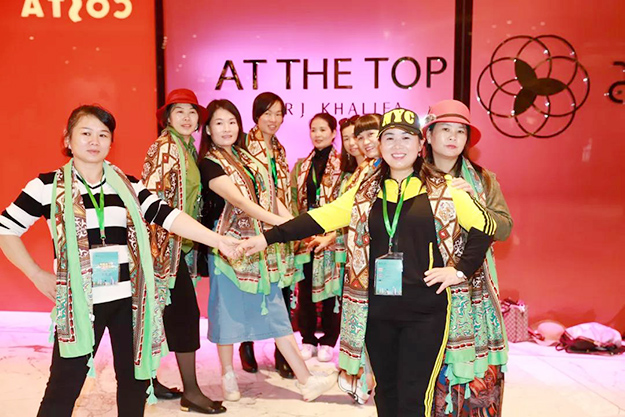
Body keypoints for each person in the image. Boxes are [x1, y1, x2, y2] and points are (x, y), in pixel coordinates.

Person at [238, 108, 497, 416]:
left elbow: (486, 227)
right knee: (385, 392)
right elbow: (318, 218)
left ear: (420, 144)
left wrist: (459, 271)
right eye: (389, 138)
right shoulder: (364, 193)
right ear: (380, 144)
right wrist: (265, 239)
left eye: (406, 138)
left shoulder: (445, 189)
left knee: (414, 396)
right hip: (378, 309)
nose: (397, 146)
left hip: (426, 311)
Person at [0, 105, 237, 416]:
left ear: (111, 142)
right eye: (86, 133)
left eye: (103, 135)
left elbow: (168, 216)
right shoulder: (46, 186)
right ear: (68, 139)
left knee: (135, 383)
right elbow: (5, 229)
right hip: (80, 302)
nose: (94, 141)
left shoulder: (127, 185)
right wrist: (35, 273)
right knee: (64, 385)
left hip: (130, 301)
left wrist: (217, 240)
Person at [198, 99, 337, 402]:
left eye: (231, 122)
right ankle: (227, 375)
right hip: (229, 251)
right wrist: (284, 226)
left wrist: (297, 224)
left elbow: (270, 196)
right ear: (208, 129)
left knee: (277, 313)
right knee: (226, 314)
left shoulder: (248, 158)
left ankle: (306, 380)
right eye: (219, 123)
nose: (226, 128)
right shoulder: (209, 163)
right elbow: (243, 203)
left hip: (260, 251)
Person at [421, 99, 511, 416]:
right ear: (428, 135)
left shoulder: (483, 180)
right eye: (445, 129)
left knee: (476, 381)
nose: (453, 137)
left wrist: (475, 205)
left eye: (460, 131)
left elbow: (504, 228)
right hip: (427, 287)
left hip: (473, 291)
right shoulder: (411, 178)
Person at [141, 89, 226, 414]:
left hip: (177, 247)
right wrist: (159, 250)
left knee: (159, 316)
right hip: (162, 248)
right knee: (185, 316)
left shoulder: (186, 148)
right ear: (167, 118)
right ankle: (191, 391)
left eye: (192, 112)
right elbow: (153, 203)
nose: (187, 118)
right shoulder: (165, 148)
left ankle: (148, 381)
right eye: (180, 112)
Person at [239, 92, 300, 378]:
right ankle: (247, 345)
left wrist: (291, 223)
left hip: (279, 227)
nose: (274, 119)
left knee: (282, 290)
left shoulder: (280, 148)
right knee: (252, 288)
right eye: (268, 113)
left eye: (279, 114)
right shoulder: (243, 145)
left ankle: (282, 351)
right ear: (256, 115)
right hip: (252, 227)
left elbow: (281, 191)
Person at [290, 113, 343, 362]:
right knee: (305, 289)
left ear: (333, 133)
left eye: (323, 129)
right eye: (314, 130)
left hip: (330, 235)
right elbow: (294, 200)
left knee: (331, 290)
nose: (318, 134)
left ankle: (329, 340)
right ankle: (308, 339)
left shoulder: (343, 165)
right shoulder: (302, 166)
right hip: (306, 235)